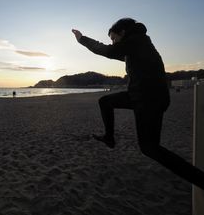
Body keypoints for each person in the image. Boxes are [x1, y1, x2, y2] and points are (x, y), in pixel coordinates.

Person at [72, 18, 204, 190]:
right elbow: (111, 50)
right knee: (105, 101)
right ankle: (109, 138)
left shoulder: (137, 41)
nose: (113, 42)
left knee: (150, 148)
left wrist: (82, 39)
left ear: (123, 33)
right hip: (139, 96)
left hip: (149, 100)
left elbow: (106, 50)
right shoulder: (135, 45)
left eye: (113, 38)